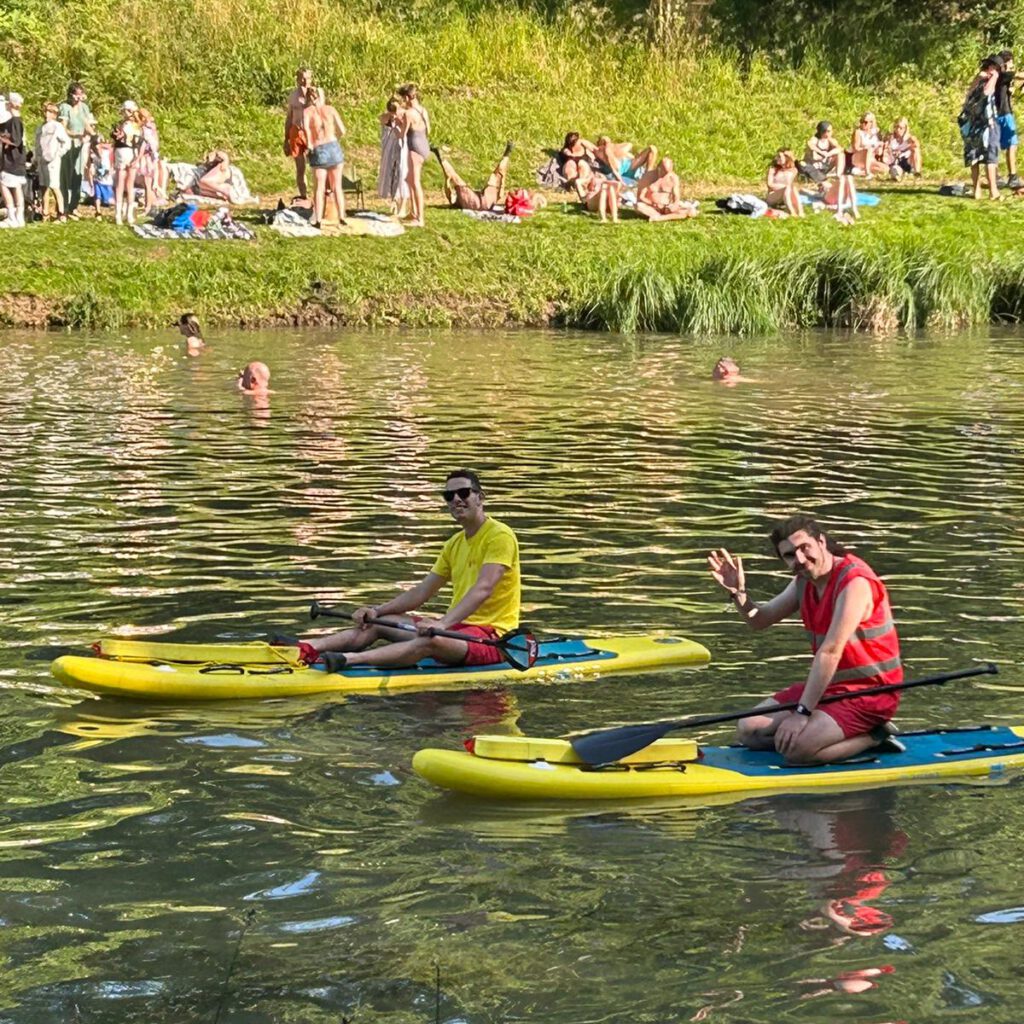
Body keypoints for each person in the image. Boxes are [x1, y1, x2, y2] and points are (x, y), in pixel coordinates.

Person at [707, 515, 903, 765]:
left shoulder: (855, 583)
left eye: (804, 548)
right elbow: (759, 620)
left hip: (872, 692)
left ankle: (875, 735)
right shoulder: (804, 582)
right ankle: (823, 735)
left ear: (821, 542)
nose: (799, 559)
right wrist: (737, 593)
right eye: (790, 555)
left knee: (797, 752)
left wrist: (802, 713)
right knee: (749, 731)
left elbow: (830, 652)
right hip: (831, 687)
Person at [303, 470, 521, 669]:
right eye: (449, 496)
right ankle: (306, 647)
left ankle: (348, 660)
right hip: (457, 630)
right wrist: (377, 611)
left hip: (493, 638)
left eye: (463, 492)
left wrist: (442, 624)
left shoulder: (499, 536)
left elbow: (484, 588)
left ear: (480, 497)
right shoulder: (454, 543)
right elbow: (422, 592)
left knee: (430, 640)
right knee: (379, 623)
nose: (456, 499)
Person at [960, 54, 1002, 201]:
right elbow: (986, 93)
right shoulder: (988, 80)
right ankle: (993, 192)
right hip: (986, 125)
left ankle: (976, 190)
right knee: (990, 158)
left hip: (972, 126)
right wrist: (994, 77)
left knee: (975, 158)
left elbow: (968, 95)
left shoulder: (977, 80)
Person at [302, 86, 346, 227]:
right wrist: (334, 139)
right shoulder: (330, 109)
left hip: (319, 148)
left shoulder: (307, 112)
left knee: (319, 188)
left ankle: (318, 219)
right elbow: (342, 130)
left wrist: (310, 146)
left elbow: (307, 133)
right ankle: (342, 216)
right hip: (333, 146)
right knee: (337, 186)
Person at [433, 140, 513, 211]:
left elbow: (449, 194)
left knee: (454, 176)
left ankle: (439, 155)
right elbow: (500, 194)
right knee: (497, 175)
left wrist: (447, 180)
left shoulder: (456, 202)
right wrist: (502, 179)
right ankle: (507, 153)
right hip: (486, 203)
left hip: (471, 202)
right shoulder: (456, 201)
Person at [57, 81, 92, 217]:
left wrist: (93, 135)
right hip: (68, 144)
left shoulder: (84, 107)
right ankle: (63, 207)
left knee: (78, 174)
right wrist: (76, 134)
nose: (78, 98)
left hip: (81, 144)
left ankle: (74, 205)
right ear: (71, 95)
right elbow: (63, 127)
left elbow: (87, 124)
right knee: (65, 175)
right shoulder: (65, 107)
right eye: (76, 95)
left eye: (81, 95)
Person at [397, 83, 429, 227]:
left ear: (407, 97)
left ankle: (420, 218)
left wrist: (397, 124)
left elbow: (402, 134)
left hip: (414, 147)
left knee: (415, 182)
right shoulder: (423, 110)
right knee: (409, 179)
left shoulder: (409, 114)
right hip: (423, 144)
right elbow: (429, 129)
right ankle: (413, 211)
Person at [34, 103, 72, 221]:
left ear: (55, 115)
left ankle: (61, 213)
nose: (47, 114)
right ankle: (45, 213)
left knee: (54, 186)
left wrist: (58, 154)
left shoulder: (57, 127)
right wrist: (35, 158)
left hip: (53, 160)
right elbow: (37, 145)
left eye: (50, 112)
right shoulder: (40, 128)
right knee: (43, 186)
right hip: (41, 160)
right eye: (45, 111)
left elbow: (66, 142)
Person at [634, 157, 698, 220]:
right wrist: (653, 203)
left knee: (692, 211)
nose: (665, 175)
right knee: (639, 206)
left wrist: (674, 205)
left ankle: (660, 218)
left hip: (667, 207)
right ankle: (662, 216)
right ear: (658, 168)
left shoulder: (673, 178)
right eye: (664, 172)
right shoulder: (647, 177)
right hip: (652, 207)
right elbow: (640, 197)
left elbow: (676, 196)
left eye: (668, 172)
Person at [377, 96, 409, 218]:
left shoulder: (405, 116)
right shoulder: (388, 117)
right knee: (391, 174)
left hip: (402, 148)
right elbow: (382, 119)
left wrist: (400, 119)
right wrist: (391, 116)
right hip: (390, 149)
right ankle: (394, 200)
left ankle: (403, 206)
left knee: (402, 174)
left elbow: (405, 132)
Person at [995, 50, 1023, 190]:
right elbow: (1018, 75)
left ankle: (996, 176)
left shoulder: (995, 76)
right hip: (1004, 113)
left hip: (994, 114)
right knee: (1012, 144)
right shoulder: (1003, 74)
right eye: (1011, 61)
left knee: (995, 145)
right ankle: (1012, 176)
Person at [284, 67, 313, 201]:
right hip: (296, 132)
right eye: (302, 78)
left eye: (307, 78)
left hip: (312, 132)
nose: (305, 81)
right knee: (300, 168)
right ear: (297, 79)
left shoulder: (316, 94)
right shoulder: (293, 96)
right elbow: (289, 117)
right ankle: (304, 196)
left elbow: (320, 113)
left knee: (317, 166)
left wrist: (310, 99)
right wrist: (286, 139)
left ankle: (323, 196)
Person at [111, 100, 142, 225]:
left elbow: (140, 143)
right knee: (124, 184)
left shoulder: (133, 126)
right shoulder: (131, 126)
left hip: (128, 152)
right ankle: (122, 214)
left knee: (125, 184)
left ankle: (125, 214)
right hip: (126, 152)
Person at [0, 92, 28, 228]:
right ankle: (19, 217)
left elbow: (15, 141)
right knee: (17, 187)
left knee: (3, 185)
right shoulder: (17, 120)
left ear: (11, 104)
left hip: (12, 159)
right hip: (19, 159)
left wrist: (2, 139)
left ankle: (12, 216)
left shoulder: (14, 122)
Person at [593, 136, 658, 185]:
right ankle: (647, 179)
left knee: (652, 149)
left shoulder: (618, 150)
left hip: (630, 165)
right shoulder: (600, 152)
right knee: (608, 151)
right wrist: (607, 144)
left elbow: (629, 144)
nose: (605, 141)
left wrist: (613, 146)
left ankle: (648, 175)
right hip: (619, 169)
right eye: (603, 140)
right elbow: (607, 153)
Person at [765, 149, 803, 216]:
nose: (777, 158)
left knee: (793, 188)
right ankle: (792, 211)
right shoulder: (773, 169)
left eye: (779, 156)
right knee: (788, 188)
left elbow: (791, 184)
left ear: (786, 158)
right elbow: (770, 184)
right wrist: (784, 187)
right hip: (773, 195)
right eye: (777, 156)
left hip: (786, 193)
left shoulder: (793, 170)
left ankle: (800, 211)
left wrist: (787, 187)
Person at [558, 132, 597, 197]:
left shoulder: (583, 143)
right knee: (570, 164)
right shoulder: (566, 149)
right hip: (571, 163)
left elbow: (595, 149)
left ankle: (582, 184)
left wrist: (591, 155)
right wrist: (569, 154)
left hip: (583, 162)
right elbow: (566, 153)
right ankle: (572, 184)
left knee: (581, 163)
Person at [848, 112, 886, 178]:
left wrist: (879, 147)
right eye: (861, 121)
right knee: (868, 149)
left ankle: (860, 172)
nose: (863, 124)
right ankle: (867, 173)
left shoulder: (875, 134)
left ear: (871, 123)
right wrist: (868, 148)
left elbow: (879, 153)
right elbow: (856, 148)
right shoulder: (858, 132)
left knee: (885, 169)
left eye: (865, 122)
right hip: (859, 157)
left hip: (871, 159)